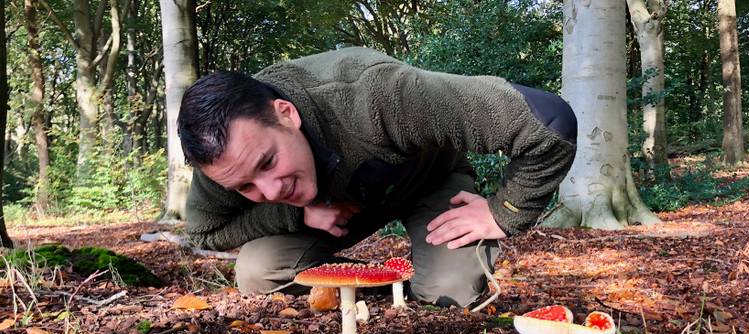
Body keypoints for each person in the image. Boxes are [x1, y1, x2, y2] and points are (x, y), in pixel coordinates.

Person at [177, 47, 577, 308]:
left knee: (450, 292)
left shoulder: (378, 96)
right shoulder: (221, 161)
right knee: (256, 271)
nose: (270, 190)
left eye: (267, 163)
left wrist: (504, 211)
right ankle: (386, 287)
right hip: (343, 210)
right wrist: (297, 215)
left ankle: (426, 279)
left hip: (430, 182)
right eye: (245, 186)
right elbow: (204, 233)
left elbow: (548, 122)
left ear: (286, 113)